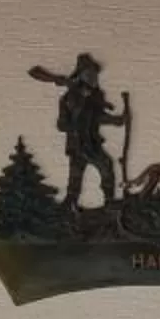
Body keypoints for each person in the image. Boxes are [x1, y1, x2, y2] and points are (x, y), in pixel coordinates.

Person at [33, 54, 128, 210]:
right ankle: (100, 201)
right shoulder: (69, 99)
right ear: (81, 75)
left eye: (94, 74)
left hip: (92, 142)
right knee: (102, 166)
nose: (93, 77)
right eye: (89, 73)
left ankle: (77, 202)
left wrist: (115, 120)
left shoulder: (95, 97)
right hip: (78, 143)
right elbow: (61, 124)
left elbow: (97, 117)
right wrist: (75, 121)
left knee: (79, 174)